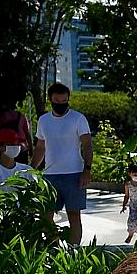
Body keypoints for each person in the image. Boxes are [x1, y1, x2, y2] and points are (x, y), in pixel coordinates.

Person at [33, 82, 94, 245]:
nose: (60, 105)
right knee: (46, 216)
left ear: (68, 100)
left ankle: (74, 251)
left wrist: (86, 170)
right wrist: (32, 169)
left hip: (74, 174)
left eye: (63, 101)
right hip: (50, 175)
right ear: (50, 100)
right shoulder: (44, 120)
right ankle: (55, 247)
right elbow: (40, 147)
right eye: (56, 102)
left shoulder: (78, 118)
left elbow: (87, 145)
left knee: (74, 214)